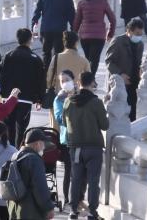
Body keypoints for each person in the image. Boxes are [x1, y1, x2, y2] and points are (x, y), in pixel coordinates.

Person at [64, 71, 108, 220]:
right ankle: (91, 211)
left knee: (75, 178)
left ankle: (73, 210)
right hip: (93, 148)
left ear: (78, 83)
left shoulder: (68, 102)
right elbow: (105, 125)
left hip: (75, 147)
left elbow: (64, 122)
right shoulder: (96, 102)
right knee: (93, 180)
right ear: (92, 83)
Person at [0, 28, 45, 147]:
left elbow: (0, 76)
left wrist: (0, 95)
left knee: (9, 128)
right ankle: (17, 151)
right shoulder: (35, 58)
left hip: (8, 98)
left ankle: (8, 151)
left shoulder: (8, 56)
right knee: (21, 129)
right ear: (30, 40)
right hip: (25, 99)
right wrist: (40, 98)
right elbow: (40, 80)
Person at [31, 0, 77, 69]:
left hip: (46, 29)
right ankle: (55, 76)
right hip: (60, 30)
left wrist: (34, 24)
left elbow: (37, 11)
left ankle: (46, 74)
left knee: (46, 53)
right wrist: (74, 29)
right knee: (58, 54)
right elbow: (71, 15)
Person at [7, 129, 56, 220]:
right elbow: (40, 188)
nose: (44, 148)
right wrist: (48, 208)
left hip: (14, 209)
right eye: (43, 144)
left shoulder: (15, 156)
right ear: (37, 144)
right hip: (30, 212)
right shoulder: (34, 160)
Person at [45, 31, 90, 129]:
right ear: (76, 43)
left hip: (58, 96)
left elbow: (49, 79)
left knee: (56, 129)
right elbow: (89, 82)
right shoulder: (83, 61)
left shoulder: (56, 58)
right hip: (78, 99)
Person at [104, 18, 145, 121]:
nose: (139, 36)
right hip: (120, 83)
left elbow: (138, 62)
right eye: (137, 33)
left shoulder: (140, 44)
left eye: (141, 34)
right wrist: (120, 74)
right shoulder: (118, 41)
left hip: (134, 82)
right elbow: (109, 61)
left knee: (133, 113)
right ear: (129, 31)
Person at [73, 0, 116, 75]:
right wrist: (110, 33)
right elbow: (112, 19)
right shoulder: (103, 1)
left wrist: (74, 34)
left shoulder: (82, 2)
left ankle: (87, 79)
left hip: (84, 36)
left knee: (88, 59)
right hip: (99, 36)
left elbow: (77, 21)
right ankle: (90, 79)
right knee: (95, 59)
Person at [51, 69, 77, 205]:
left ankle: (78, 197)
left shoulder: (81, 94)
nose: (65, 83)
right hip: (67, 138)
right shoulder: (59, 99)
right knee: (69, 169)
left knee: (79, 170)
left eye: (67, 80)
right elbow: (60, 119)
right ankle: (67, 198)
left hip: (83, 137)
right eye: (62, 81)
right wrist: (68, 104)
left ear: (73, 79)